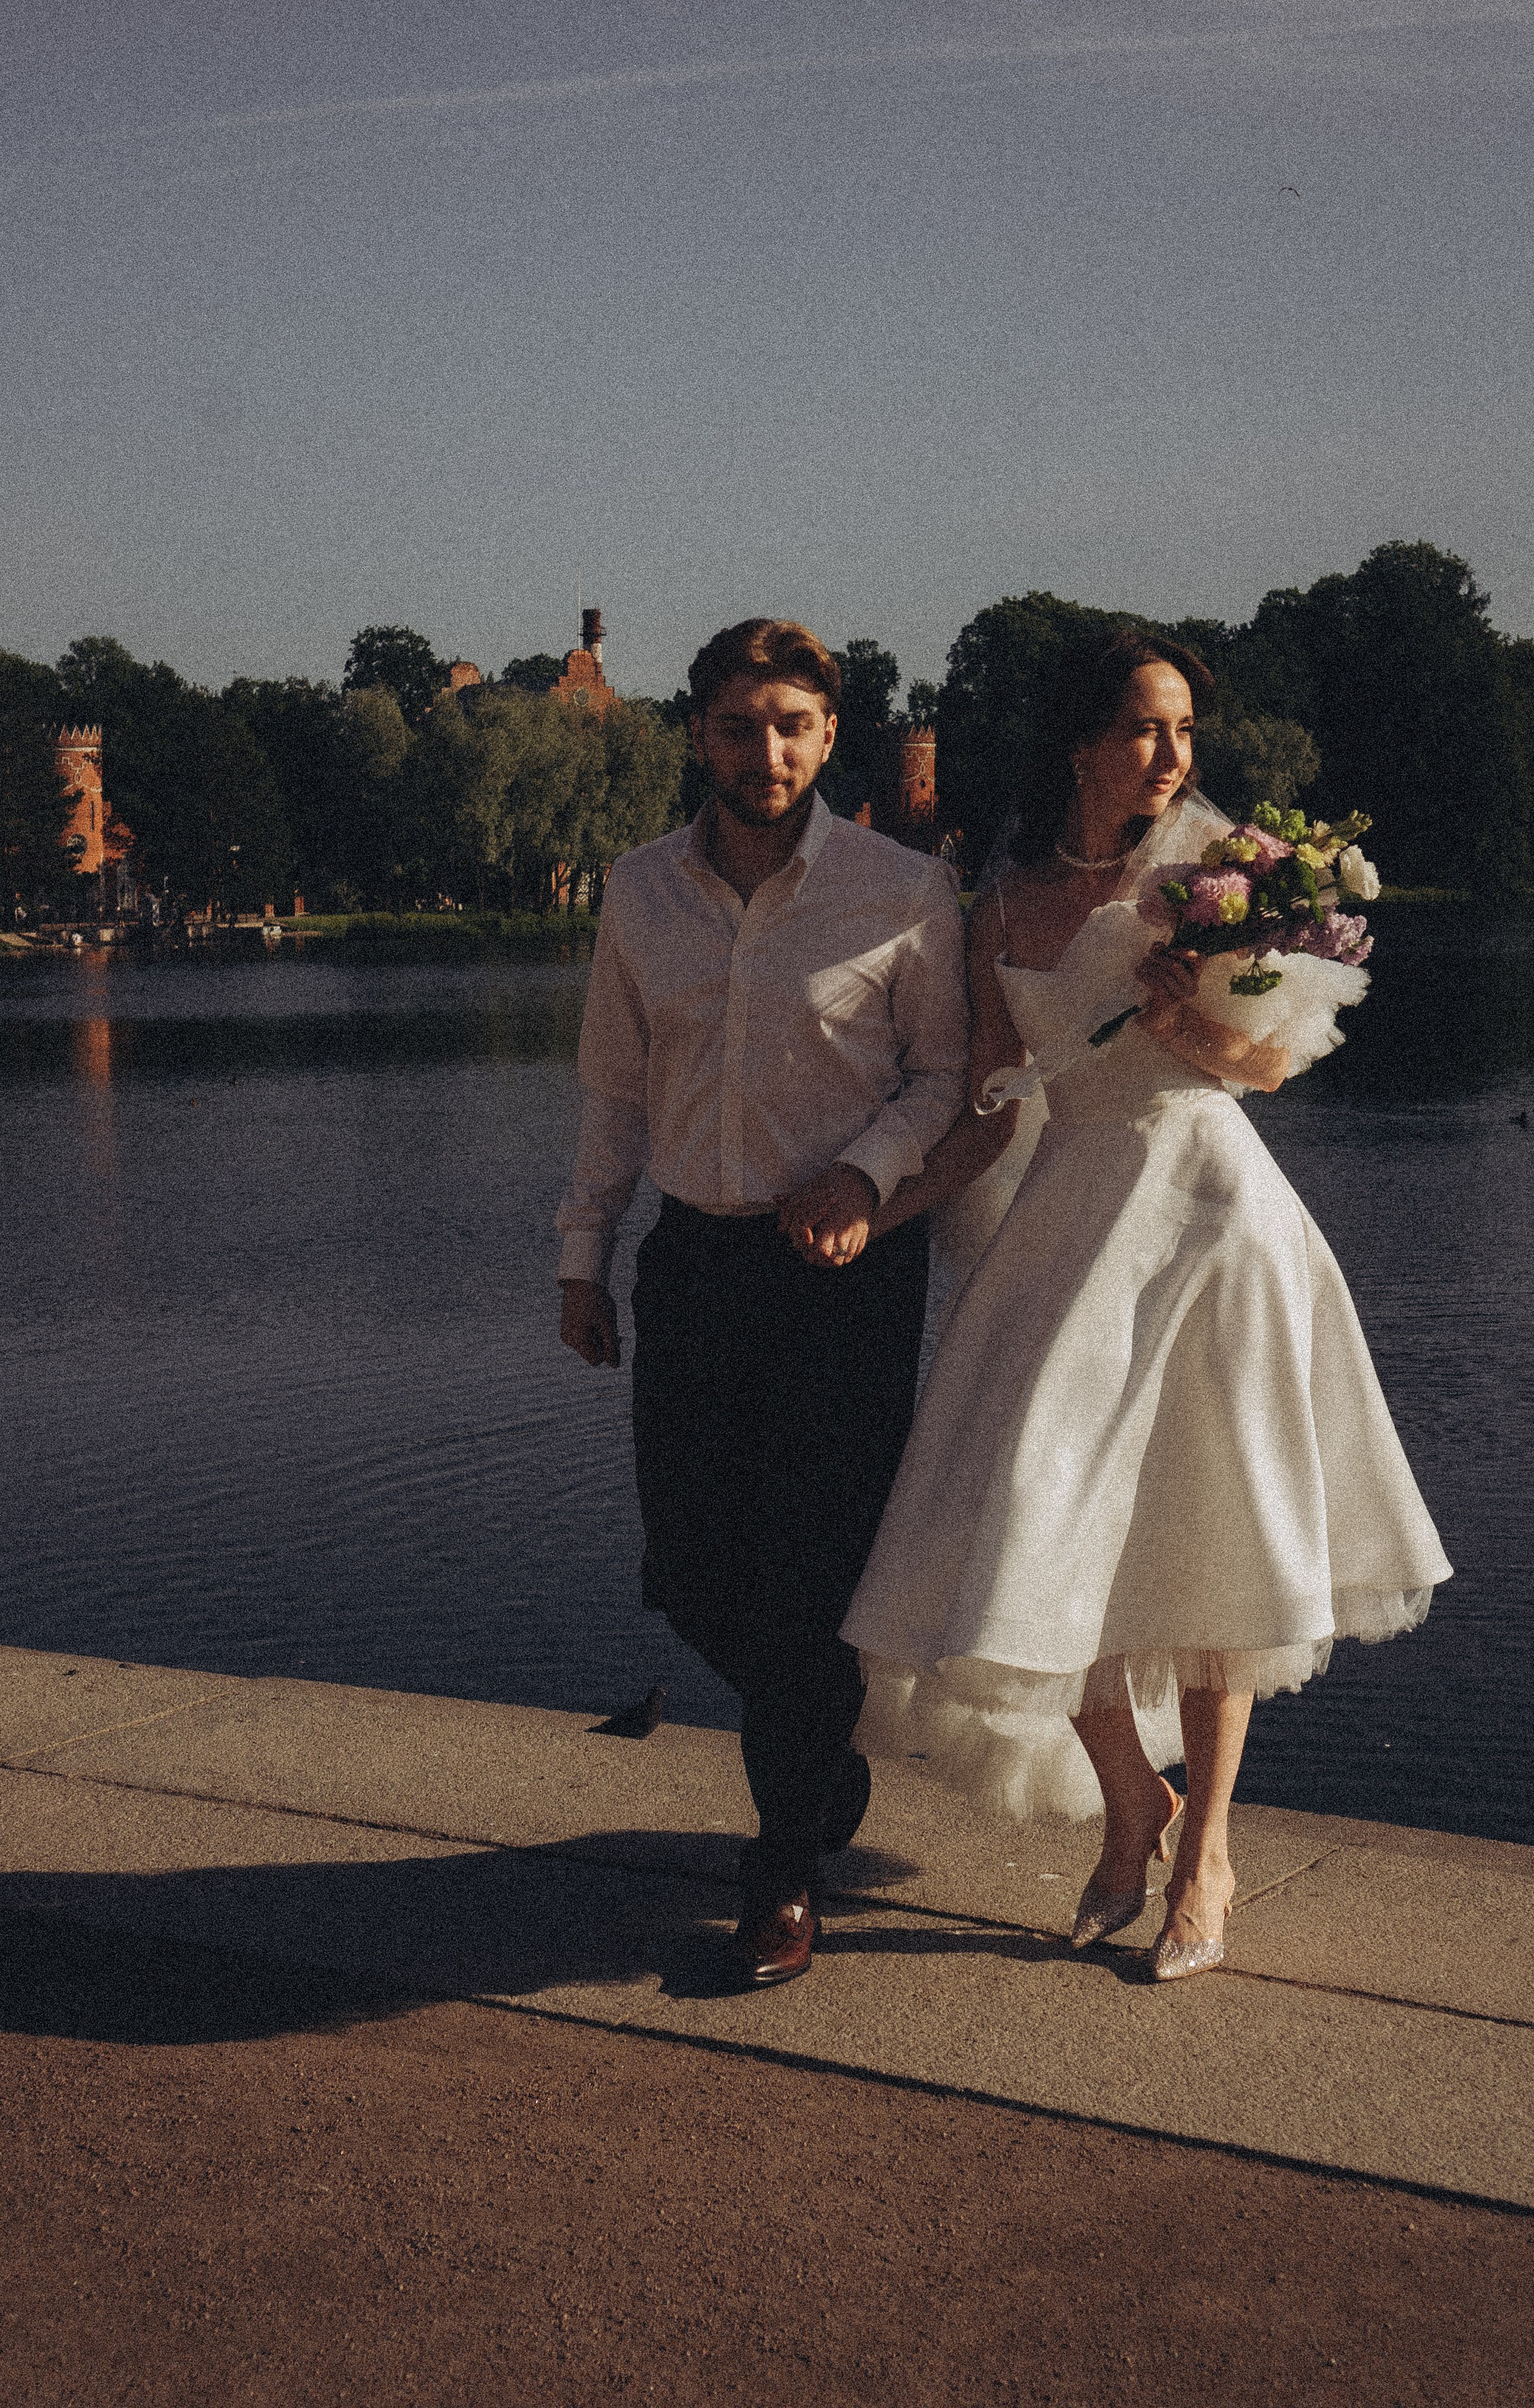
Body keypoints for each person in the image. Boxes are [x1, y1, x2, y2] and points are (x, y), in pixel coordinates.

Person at [841, 630, 1450, 1981]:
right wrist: (875, 1210)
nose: (1172, 755)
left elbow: (1264, 1068)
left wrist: (1185, 1018)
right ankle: (1133, 1800)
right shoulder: (997, 901)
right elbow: (986, 1110)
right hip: (1067, 1220)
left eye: (1183, 731)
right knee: (1028, 1509)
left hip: (1211, 1218)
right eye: (1143, 728)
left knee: (1212, 1526)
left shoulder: (1216, 878)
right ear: (1080, 744)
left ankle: (1206, 1854)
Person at [557, 618, 967, 1987]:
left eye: (792, 725)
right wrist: (582, 1256)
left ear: (830, 734)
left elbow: (941, 1077)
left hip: (839, 1276)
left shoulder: (903, 891)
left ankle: (783, 1869)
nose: (767, 752)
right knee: (685, 1573)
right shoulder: (639, 891)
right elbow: (614, 1087)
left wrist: (864, 1175)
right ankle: (824, 1755)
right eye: (739, 726)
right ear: (698, 734)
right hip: (693, 1261)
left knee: (803, 1584)